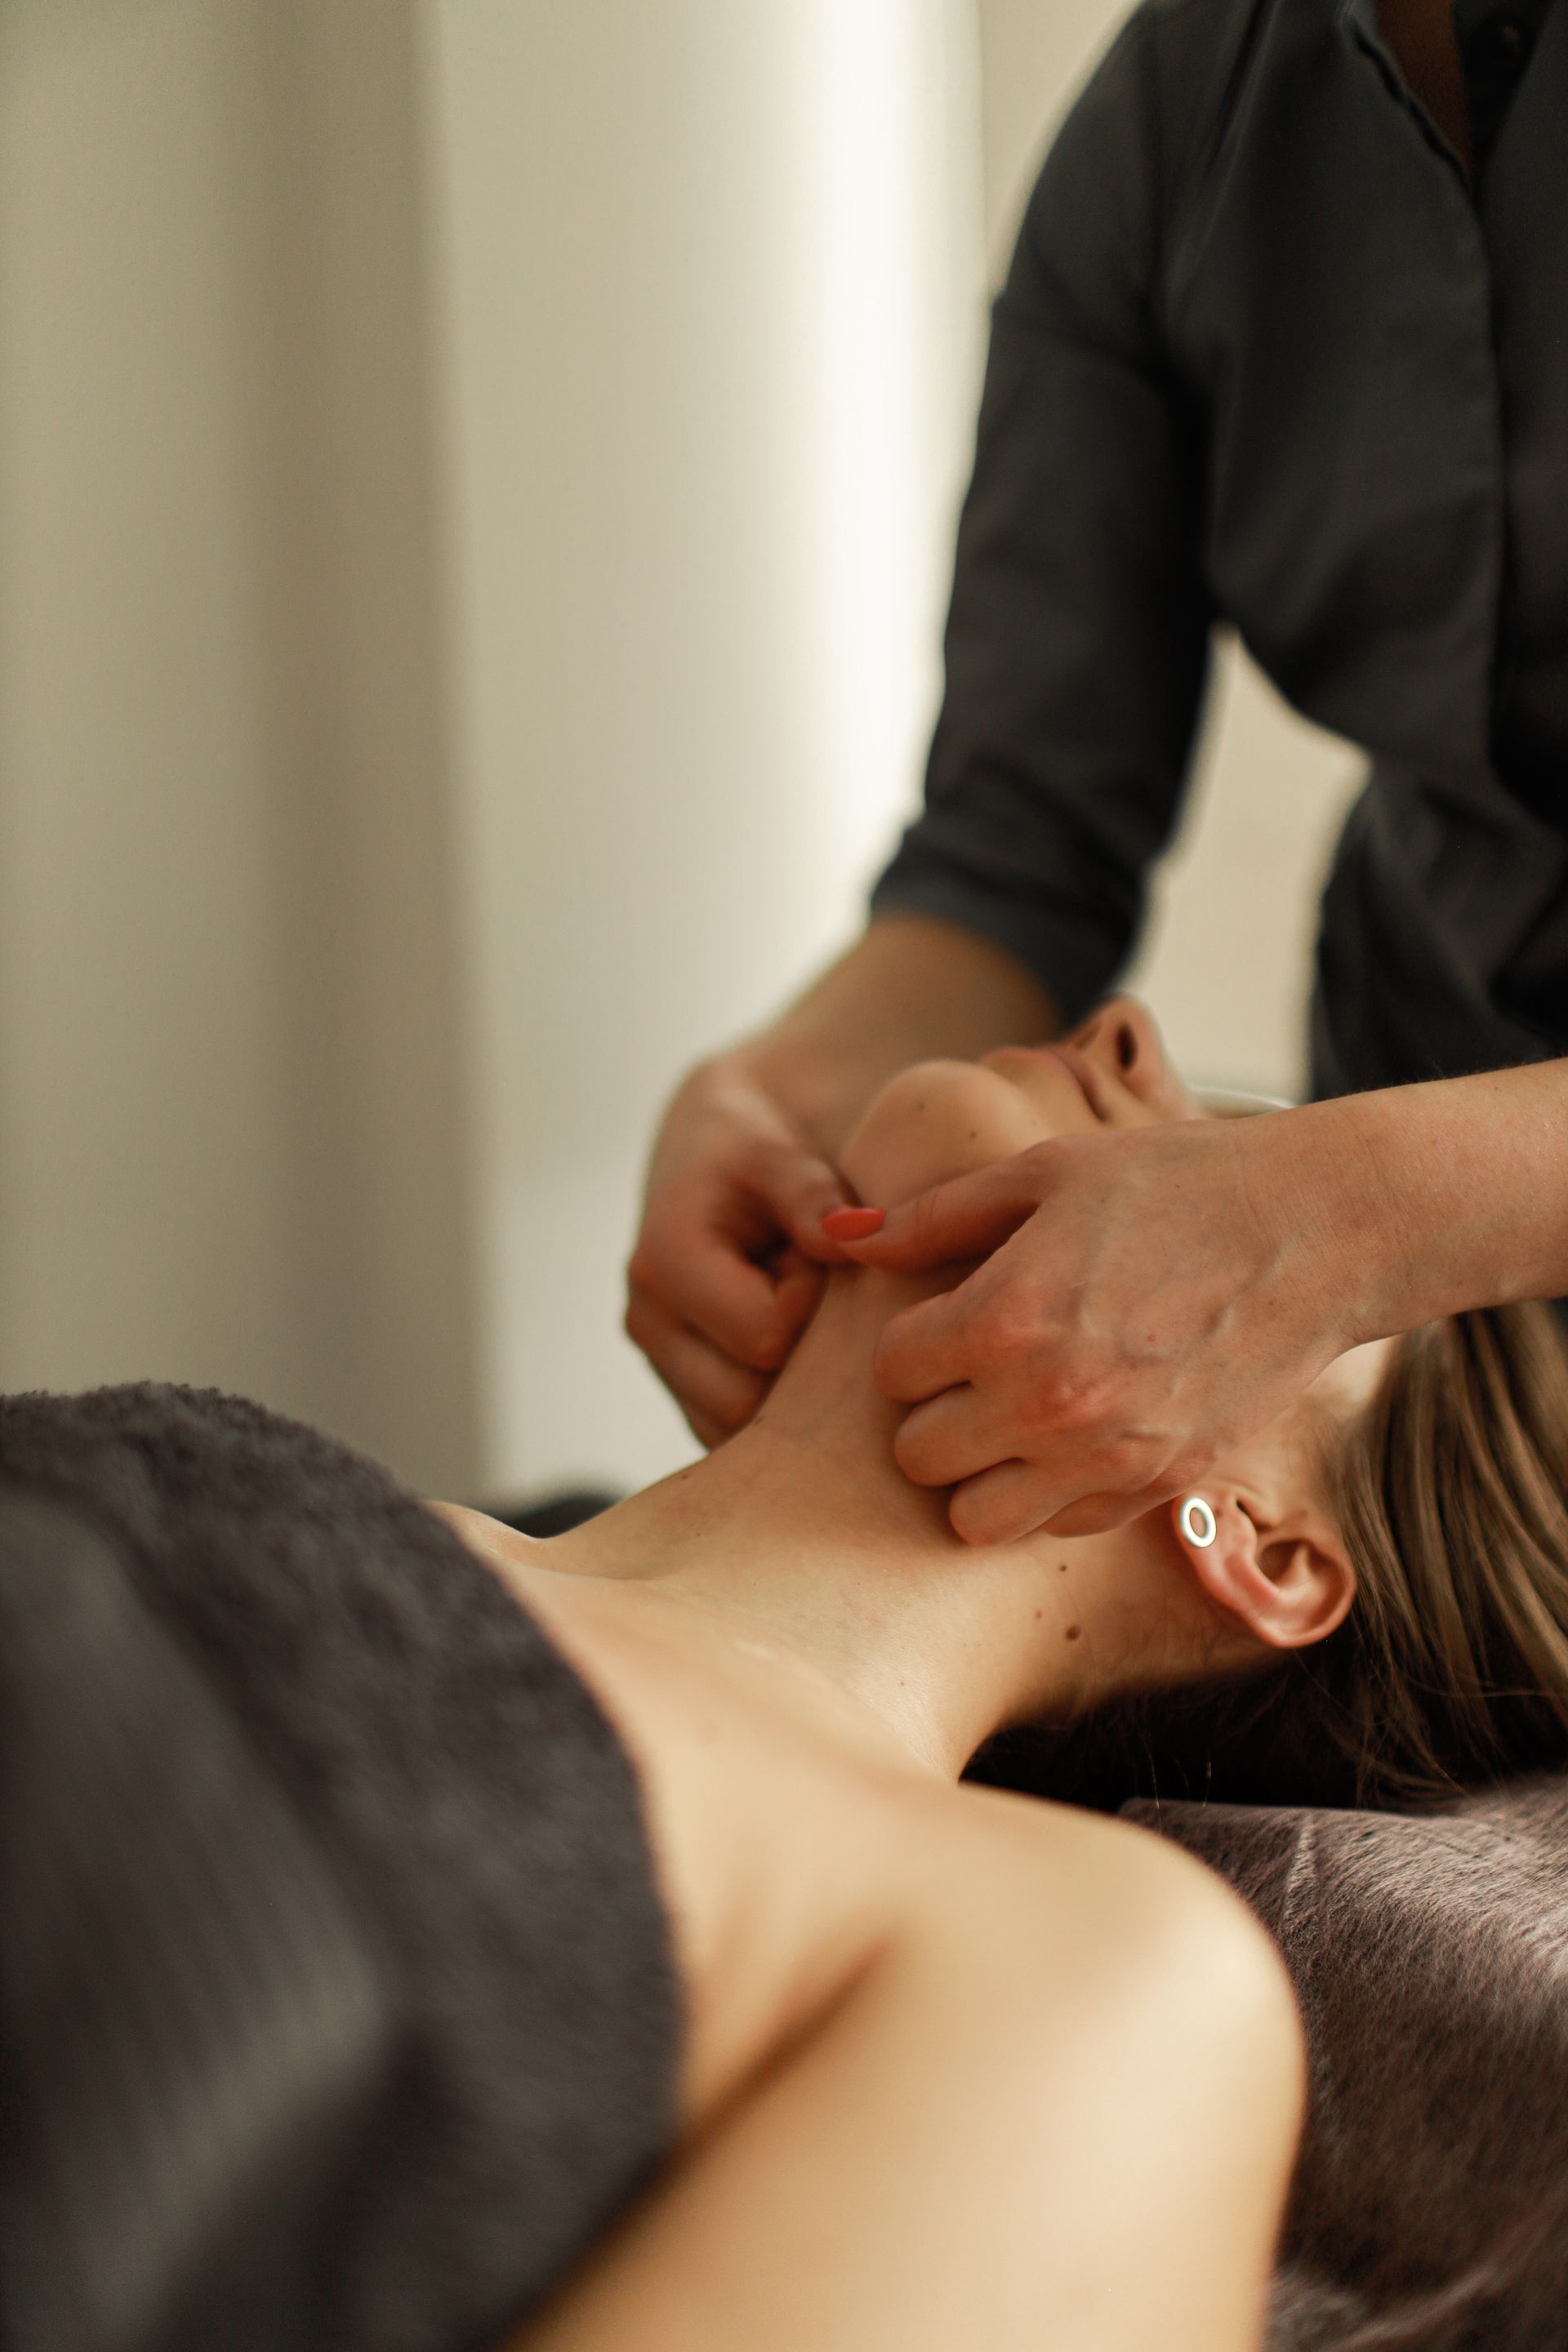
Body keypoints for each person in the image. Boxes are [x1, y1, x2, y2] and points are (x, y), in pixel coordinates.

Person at [9, 1004, 1568, 2347]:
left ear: (1274, 1553)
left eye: (1263, 1187)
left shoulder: (1096, 1968)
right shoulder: (276, 1476)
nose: (1127, 1033)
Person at [627, 0, 1568, 1541]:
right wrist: (776, 1093)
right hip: (1429, 1350)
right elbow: (1013, 862)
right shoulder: (1185, 109)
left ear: (1261, 1565)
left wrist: (1358, 1213)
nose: (1133, 1043)